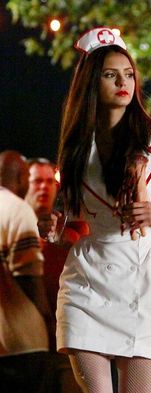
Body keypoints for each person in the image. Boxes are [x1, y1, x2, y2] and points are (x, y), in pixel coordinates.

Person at [55, 26, 151, 393]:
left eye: (129, 73)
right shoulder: (75, 147)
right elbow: (66, 222)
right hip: (87, 279)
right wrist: (51, 226)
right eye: (110, 74)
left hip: (142, 278)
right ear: (91, 82)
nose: (124, 82)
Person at [25, 157, 86, 393]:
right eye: (37, 181)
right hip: (25, 349)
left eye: (50, 181)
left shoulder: (73, 225)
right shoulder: (10, 225)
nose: (44, 187)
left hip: (66, 345)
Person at [0, 150, 51, 393]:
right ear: (22, 177)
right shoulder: (17, 210)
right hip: (22, 342)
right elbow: (27, 276)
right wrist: (48, 320)